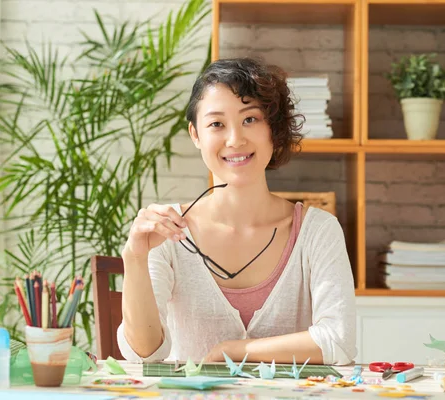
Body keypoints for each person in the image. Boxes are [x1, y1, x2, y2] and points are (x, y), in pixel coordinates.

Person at [117, 57, 357, 365]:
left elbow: (338, 339)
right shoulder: (167, 231)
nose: (235, 139)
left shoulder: (317, 231)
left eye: (250, 119)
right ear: (195, 135)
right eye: (217, 124)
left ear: (274, 129)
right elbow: (143, 355)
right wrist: (134, 258)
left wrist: (232, 351)